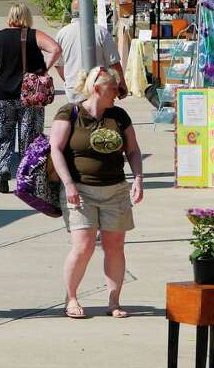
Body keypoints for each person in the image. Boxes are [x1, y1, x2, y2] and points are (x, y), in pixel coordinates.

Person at [48, 67, 143, 319]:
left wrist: (138, 178)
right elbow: (55, 149)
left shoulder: (119, 116)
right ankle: (71, 298)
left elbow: (133, 150)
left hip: (116, 190)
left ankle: (114, 301)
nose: (119, 92)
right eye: (114, 88)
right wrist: (68, 183)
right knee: (84, 246)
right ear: (98, 89)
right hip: (80, 190)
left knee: (115, 246)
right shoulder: (70, 112)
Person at [0, 3, 62, 192]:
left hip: (1, 92)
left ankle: (2, 168)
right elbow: (56, 49)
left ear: (10, 16)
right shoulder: (34, 35)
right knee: (30, 136)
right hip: (30, 94)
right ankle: (27, 176)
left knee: (2, 135)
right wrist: (44, 69)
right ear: (27, 17)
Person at [55, 0, 126, 104]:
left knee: (78, 118)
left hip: (73, 89)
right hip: (98, 89)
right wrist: (122, 84)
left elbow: (58, 65)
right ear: (91, 10)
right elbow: (114, 62)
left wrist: (70, 81)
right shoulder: (101, 32)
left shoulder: (61, 34)